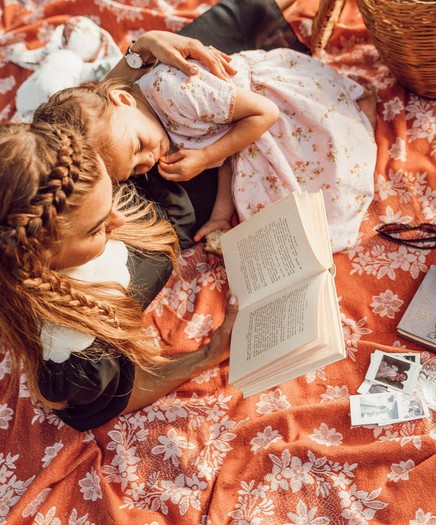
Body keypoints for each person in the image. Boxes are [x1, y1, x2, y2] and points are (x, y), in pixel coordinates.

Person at [0, 121, 239, 432]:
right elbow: (117, 398)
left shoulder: (59, 170)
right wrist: (210, 353)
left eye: (111, 193)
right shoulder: (76, 356)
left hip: (184, 183)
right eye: (97, 228)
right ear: (37, 260)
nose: (120, 218)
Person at [34, 46, 378, 252]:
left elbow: (265, 113)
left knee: (333, 160)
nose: (149, 159)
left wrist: (204, 158)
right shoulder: (146, 126)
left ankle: (362, 113)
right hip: (244, 131)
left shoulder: (174, 91)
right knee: (279, 217)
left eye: (138, 147)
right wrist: (218, 216)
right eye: (137, 168)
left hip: (270, 106)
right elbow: (224, 150)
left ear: (123, 98)